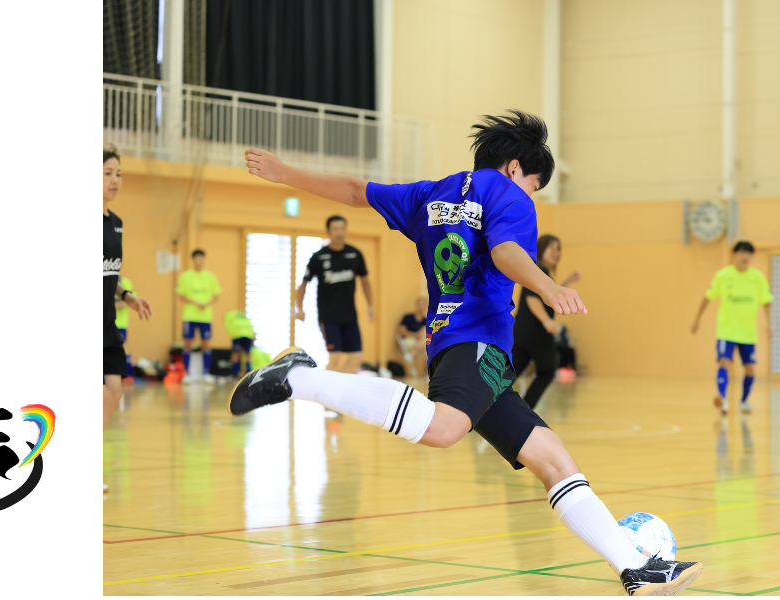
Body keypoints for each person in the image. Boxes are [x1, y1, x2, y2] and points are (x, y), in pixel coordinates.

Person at [231, 110, 702, 596]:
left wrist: (284, 173)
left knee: (554, 461)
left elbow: (355, 191)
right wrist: (547, 286)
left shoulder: (429, 193)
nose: (532, 194)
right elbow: (506, 252)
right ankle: (300, 377)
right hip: (479, 338)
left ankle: (635, 567)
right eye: (535, 185)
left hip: (454, 343)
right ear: (515, 168)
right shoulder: (510, 195)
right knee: (443, 428)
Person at [690, 241, 771, 415]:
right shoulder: (723, 276)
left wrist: (769, 325)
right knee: (723, 362)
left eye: (749, 253)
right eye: (742, 252)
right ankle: (723, 400)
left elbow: (766, 302)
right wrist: (697, 319)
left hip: (748, 333)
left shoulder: (758, 278)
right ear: (734, 254)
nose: (745, 256)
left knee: (750, 369)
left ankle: (744, 401)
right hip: (727, 331)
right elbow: (708, 297)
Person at [104, 147, 152, 407]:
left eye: (119, 174)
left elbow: (107, 272)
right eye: (107, 173)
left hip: (108, 323)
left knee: (114, 392)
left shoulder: (116, 223)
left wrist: (127, 296)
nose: (115, 180)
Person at [295, 215, 374, 372]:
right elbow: (303, 284)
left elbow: (365, 281)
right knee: (335, 357)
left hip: (350, 316)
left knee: (357, 357)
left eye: (342, 228)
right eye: (335, 229)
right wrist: (300, 308)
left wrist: (371, 305)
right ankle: (326, 386)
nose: (339, 232)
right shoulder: (318, 257)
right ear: (328, 232)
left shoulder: (355, 254)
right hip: (328, 317)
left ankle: (341, 385)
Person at [512, 234, 581, 410]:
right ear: (541, 249)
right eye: (551, 248)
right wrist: (547, 322)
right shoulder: (540, 272)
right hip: (536, 334)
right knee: (547, 371)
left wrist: (567, 282)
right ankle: (524, 410)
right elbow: (532, 298)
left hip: (520, 331)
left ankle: (483, 408)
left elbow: (549, 295)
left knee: (509, 374)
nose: (556, 252)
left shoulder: (539, 273)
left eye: (558, 249)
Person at [175, 249, 221, 382]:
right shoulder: (185, 276)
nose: (199, 261)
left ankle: (206, 373)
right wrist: (195, 302)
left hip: (205, 317)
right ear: (193, 259)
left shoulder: (210, 277)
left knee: (205, 343)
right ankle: (187, 374)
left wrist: (206, 304)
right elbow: (181, 295)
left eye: (202, 258)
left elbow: (216, 295)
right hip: (189, 316)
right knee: (187, 343)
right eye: (197, 258)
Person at [397, 295, 428, 379]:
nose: (421, 307)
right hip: (409, 339)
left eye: (423, 305)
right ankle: (412, 355)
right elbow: (402, 332)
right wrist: (415, 335)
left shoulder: (426, 320)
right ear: (416, 305)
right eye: (420, 304)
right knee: (426, 344)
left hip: (421, 341)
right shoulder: (408, 317)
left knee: (428, 348)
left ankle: (411, 355)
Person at [114, 276, 139, 383]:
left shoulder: (125, 282)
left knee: (123, 347)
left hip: (121, 323)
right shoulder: (105, 280)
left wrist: (118, 304)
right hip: (106, 322)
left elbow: (132, 300)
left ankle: (128, 374)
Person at [225, 309, 257, 377]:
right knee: (246, 353)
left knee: (237, 354)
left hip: (238, 336)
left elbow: (226, 320)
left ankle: (237, 372)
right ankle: (246, 372)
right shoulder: (244, 317)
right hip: (246, 336)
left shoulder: (232, 315)